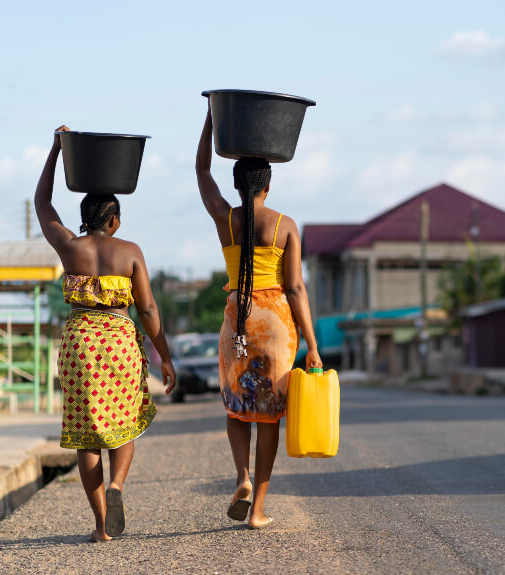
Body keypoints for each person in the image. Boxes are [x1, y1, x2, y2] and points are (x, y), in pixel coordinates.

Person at [35, 126, 176, 542]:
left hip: (80, 340)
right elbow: (148, 308)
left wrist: (55, 150)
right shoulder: (130, 251)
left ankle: (100, 527)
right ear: (114, 221)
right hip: (118, 339)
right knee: (124, 423)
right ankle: (117, 486)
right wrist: (165, 355)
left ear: (85, 219)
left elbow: (43, 202)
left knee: (87, 435)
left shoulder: (70, 247)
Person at [196, 104, 322, 529]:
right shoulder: (285, 225)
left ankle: (242, 477)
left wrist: (211, 120)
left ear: (236, 184)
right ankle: (259, 510)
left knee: (237, 408)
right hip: (277, 328)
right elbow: (296, 288)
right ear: (269, 184)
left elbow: (201, 173)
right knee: (269, 414)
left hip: (238, 320)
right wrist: (314, 345)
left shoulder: (225, 219)